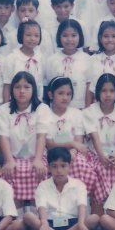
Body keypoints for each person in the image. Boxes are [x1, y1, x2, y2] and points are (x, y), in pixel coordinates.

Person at [45, 77, 102, 211]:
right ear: (50, 94)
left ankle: (82, 208)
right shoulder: (45, 113)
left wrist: (73, 150)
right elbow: (49, 143)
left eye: (68, 94)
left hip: (73, 153)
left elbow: (79, 141)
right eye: (60, 93)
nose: (65, 97)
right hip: (51, 153)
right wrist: (71, 144)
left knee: (81, 165)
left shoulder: (76, 113)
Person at [24, 147, 100, 230]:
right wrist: (44, 223)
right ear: (49, 167)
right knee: (28, 216)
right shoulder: (43, 185)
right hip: (50, 224)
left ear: (70, 166)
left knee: (94, 218)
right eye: (54, 166)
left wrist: (81, 224)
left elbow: (82, 206)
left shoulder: (79, 185)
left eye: (63, 166)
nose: (59, 170)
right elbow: (41, 208)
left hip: (72, 224)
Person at [0, 72, 49, 208]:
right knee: (9, 172)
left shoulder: (41, 108)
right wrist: (9, 160)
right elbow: (3, 137)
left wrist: (37, 159)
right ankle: (16, 215)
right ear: (12, 89)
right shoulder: (4, 110)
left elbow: (41, 136)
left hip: (35, 156)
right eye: (17, 87)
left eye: (26, 87)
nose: (21, 91)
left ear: (34, 89)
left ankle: (36, 214)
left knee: (38, 171)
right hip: (12, 156)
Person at [83, 74, 115, 206]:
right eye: (104, 91)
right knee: (99, 169)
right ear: (98, 92)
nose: (108, 95)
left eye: (112, 91)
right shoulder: (90, 112)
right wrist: (102, 157)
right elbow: (94, 138)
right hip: (95, 153)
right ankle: (98, 206)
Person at [44, 19, 90, 110]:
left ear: (80, 36)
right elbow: (50, 85)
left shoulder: (87, 59)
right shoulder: (52, 60)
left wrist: (87, 108)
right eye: (65, 35)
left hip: (80, 107)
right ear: (59, 37)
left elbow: (89, 86)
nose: (69, 39)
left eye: (73, 35)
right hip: (58, 109)